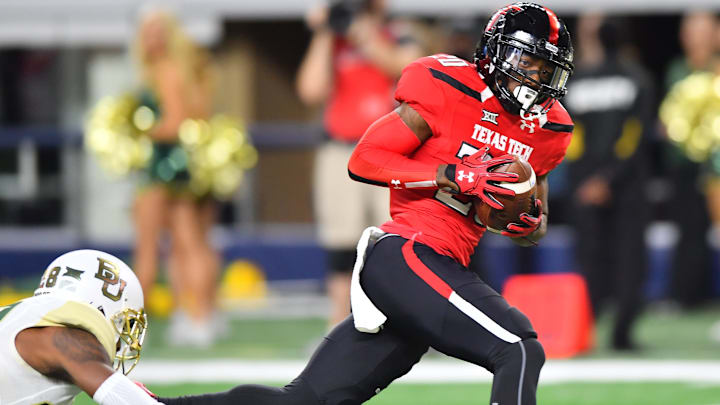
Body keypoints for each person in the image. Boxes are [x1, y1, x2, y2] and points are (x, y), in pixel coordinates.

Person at [157, 3, 574, 405]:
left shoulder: (548, 130)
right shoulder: (450, 88)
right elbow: (364, 159)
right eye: (528, 65)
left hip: (441, 265)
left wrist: (525, 225)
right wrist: (452, 174)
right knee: (518, 348)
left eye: (546, 71)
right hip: (407, 253)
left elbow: (535, 224)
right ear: (496, 54)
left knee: (305, 400)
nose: (535, 80)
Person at [296, 0, 424, 327]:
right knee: (341, 244)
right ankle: (337, 325)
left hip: (391, 151)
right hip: (342, 150)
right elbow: (310, 89)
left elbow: (406, 66)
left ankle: (405, 324)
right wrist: (326, 33)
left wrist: (363, 35)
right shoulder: (335, 42)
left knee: (395, 242)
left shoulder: (397, 33)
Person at [131, 8, 222, 346]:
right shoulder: (181, 69)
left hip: (164, 166)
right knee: (187, 243)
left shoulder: (166, 70)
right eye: (146, 30)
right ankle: (199, 316)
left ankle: (148, 324)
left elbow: (174, 122)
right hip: (182, 164)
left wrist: (133, 132)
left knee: (154, 247)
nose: (151, 37)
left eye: (158, 30)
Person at [563, 14, 654, 351]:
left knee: (590, 258)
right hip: (625, 185)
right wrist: (609, 179)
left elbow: (570, 138)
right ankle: (622, 335)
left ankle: (586, 331)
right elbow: (636, 137)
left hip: (587, 187)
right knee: (630, 259)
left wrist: (586, 183)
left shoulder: (579, 81)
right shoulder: (638, 78)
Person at [0, 249, 160, 404]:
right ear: (103, 308)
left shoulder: (29, 323)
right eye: (123, 326)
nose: (118, 345)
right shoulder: (67, 339)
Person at [662, 11, 718, 309]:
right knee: (687, 231)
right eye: (692, 31)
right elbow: (668, 116)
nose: (697, 37)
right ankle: (686, 295)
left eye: (705, 30)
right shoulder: (677, 70)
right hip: (683, 165)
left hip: (716, 168)